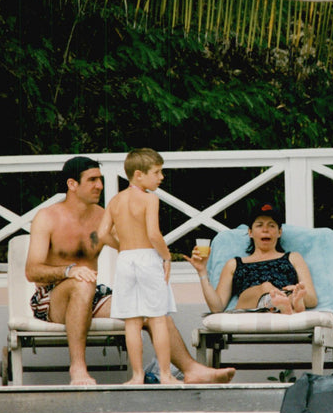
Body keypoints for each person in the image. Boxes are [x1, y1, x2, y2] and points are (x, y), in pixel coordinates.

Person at [25, 156, 236, 385]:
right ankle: (78, 368)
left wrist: (174, 257)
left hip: (93, 294)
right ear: (72, 184)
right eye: (92, 180)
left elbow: (135, 244)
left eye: (100, 179)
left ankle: (192, 369)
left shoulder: (100, 215)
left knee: (150, 307)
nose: (100, 185)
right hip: (52, 298)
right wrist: (69, 271)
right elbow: (32, 270)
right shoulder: (47, 217)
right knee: (82, 283)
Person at [97, 148, 179, 385]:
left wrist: (121, 247)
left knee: (132, 321)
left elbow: (102, 234)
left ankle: (136, 376)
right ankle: (165, 374)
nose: (161, 177)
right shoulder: (149, 199)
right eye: (157, 172)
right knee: (157, 318)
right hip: (147, 258)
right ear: (139, 175)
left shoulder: (115, 200)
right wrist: (166, 256)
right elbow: (154, 234)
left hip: (125, 260)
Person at [185, 202, 317, 314]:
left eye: (271, 225)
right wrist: (202, 272)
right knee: (265, 287)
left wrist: (298, 292)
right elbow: (217, 307)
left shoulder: (293, 258)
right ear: (250, 232)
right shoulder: (235, 264)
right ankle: (285, 302)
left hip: (284, 297)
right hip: (250, 303)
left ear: (279, 232)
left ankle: (289, 301)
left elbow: (312, 299)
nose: (265, 230)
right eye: (259, 225)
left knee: (294, 293)